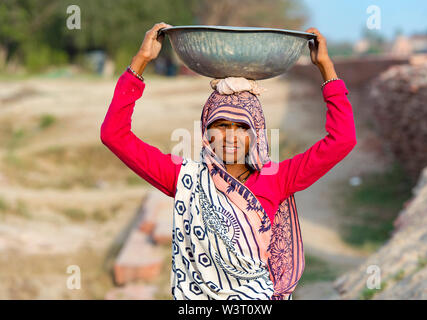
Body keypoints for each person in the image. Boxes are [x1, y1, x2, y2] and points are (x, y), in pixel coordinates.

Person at [100, 22, 357, 300]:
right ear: (206, 132)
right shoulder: (186, 179)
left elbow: (342, 140)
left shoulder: (276, 179)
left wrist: (326, 68)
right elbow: (114, 135)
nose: (231, 136)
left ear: (257, 133)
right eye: (221, 125)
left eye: (242, 127)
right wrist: (140, 62)